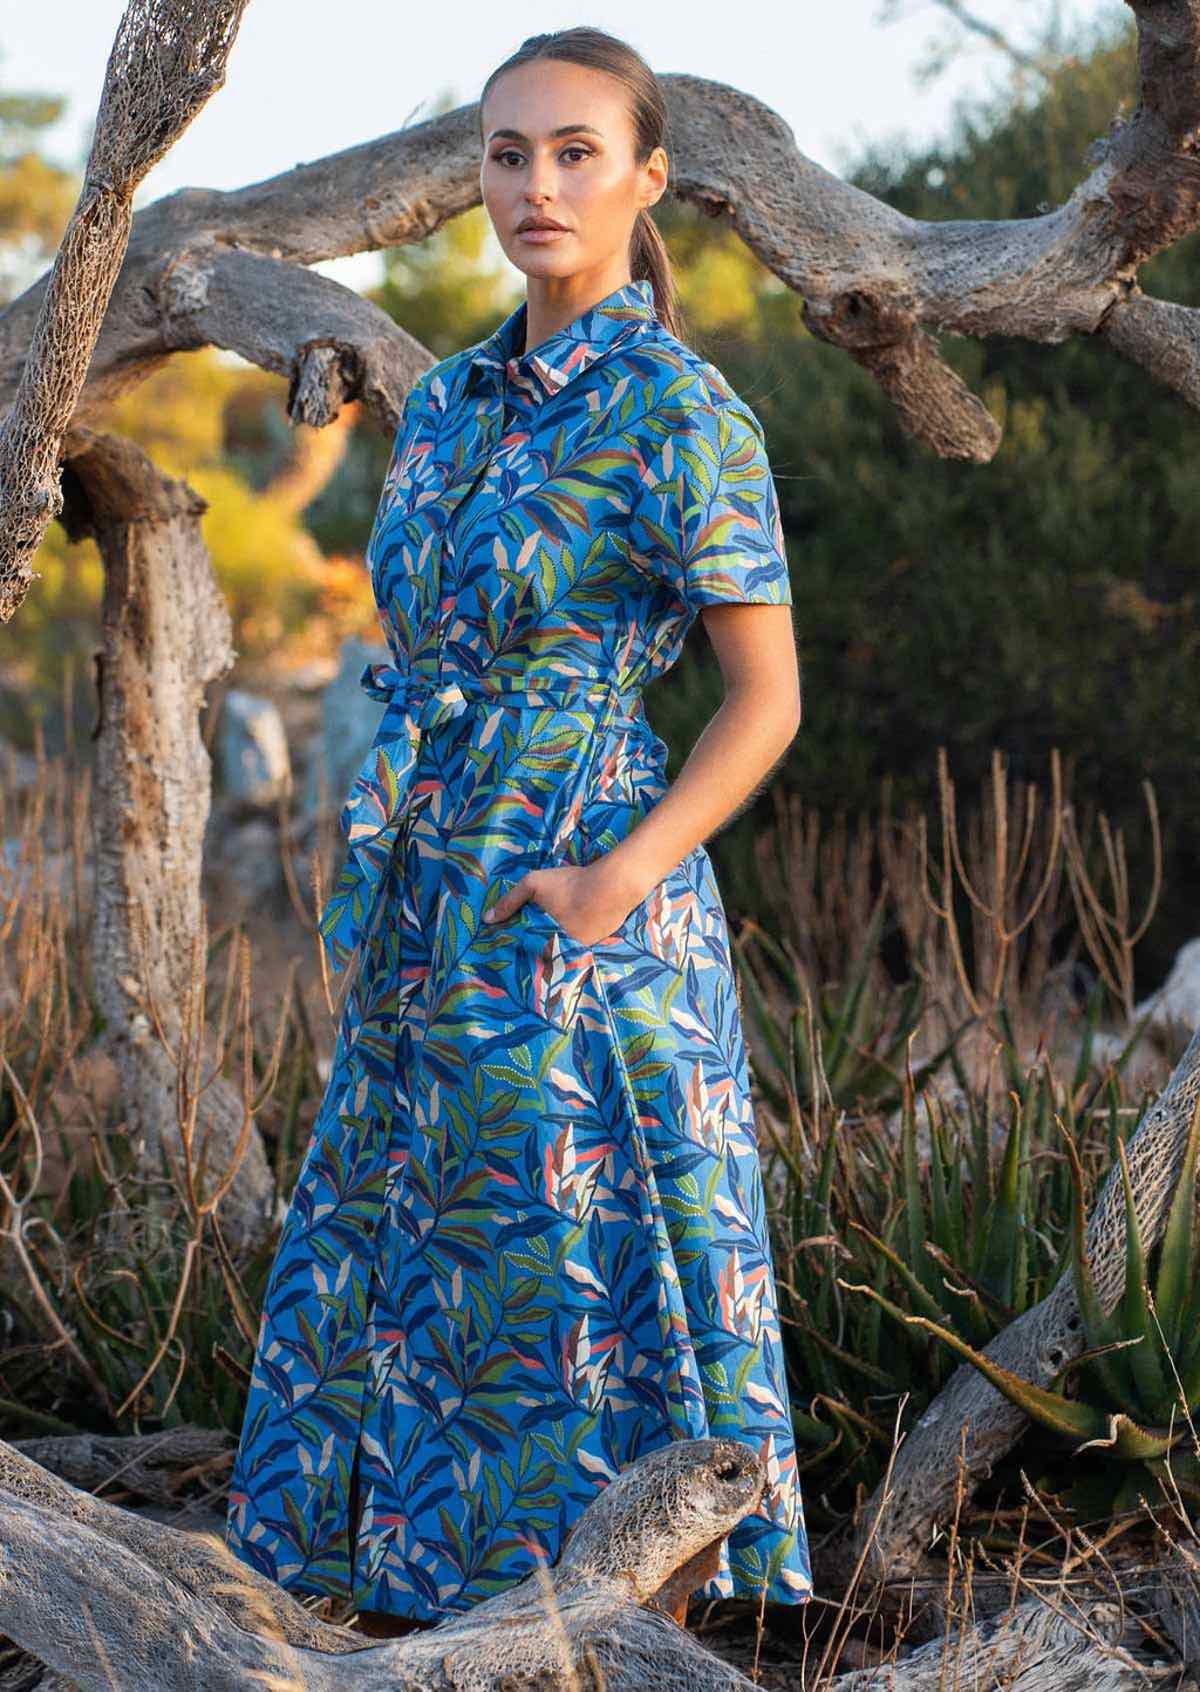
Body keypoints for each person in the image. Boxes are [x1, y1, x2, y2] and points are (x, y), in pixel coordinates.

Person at [224, 24, 811, 1639]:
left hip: (586, 897)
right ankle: (408, 1621)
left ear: (648, 180)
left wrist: (620, 878)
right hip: (428, 910)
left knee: (565, 1273)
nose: (536, 184)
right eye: (505, 152)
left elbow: (766, 702)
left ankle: (611, 1633)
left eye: (573, 151)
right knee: (419, 1252)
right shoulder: (452, 405)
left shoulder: (684, 416)